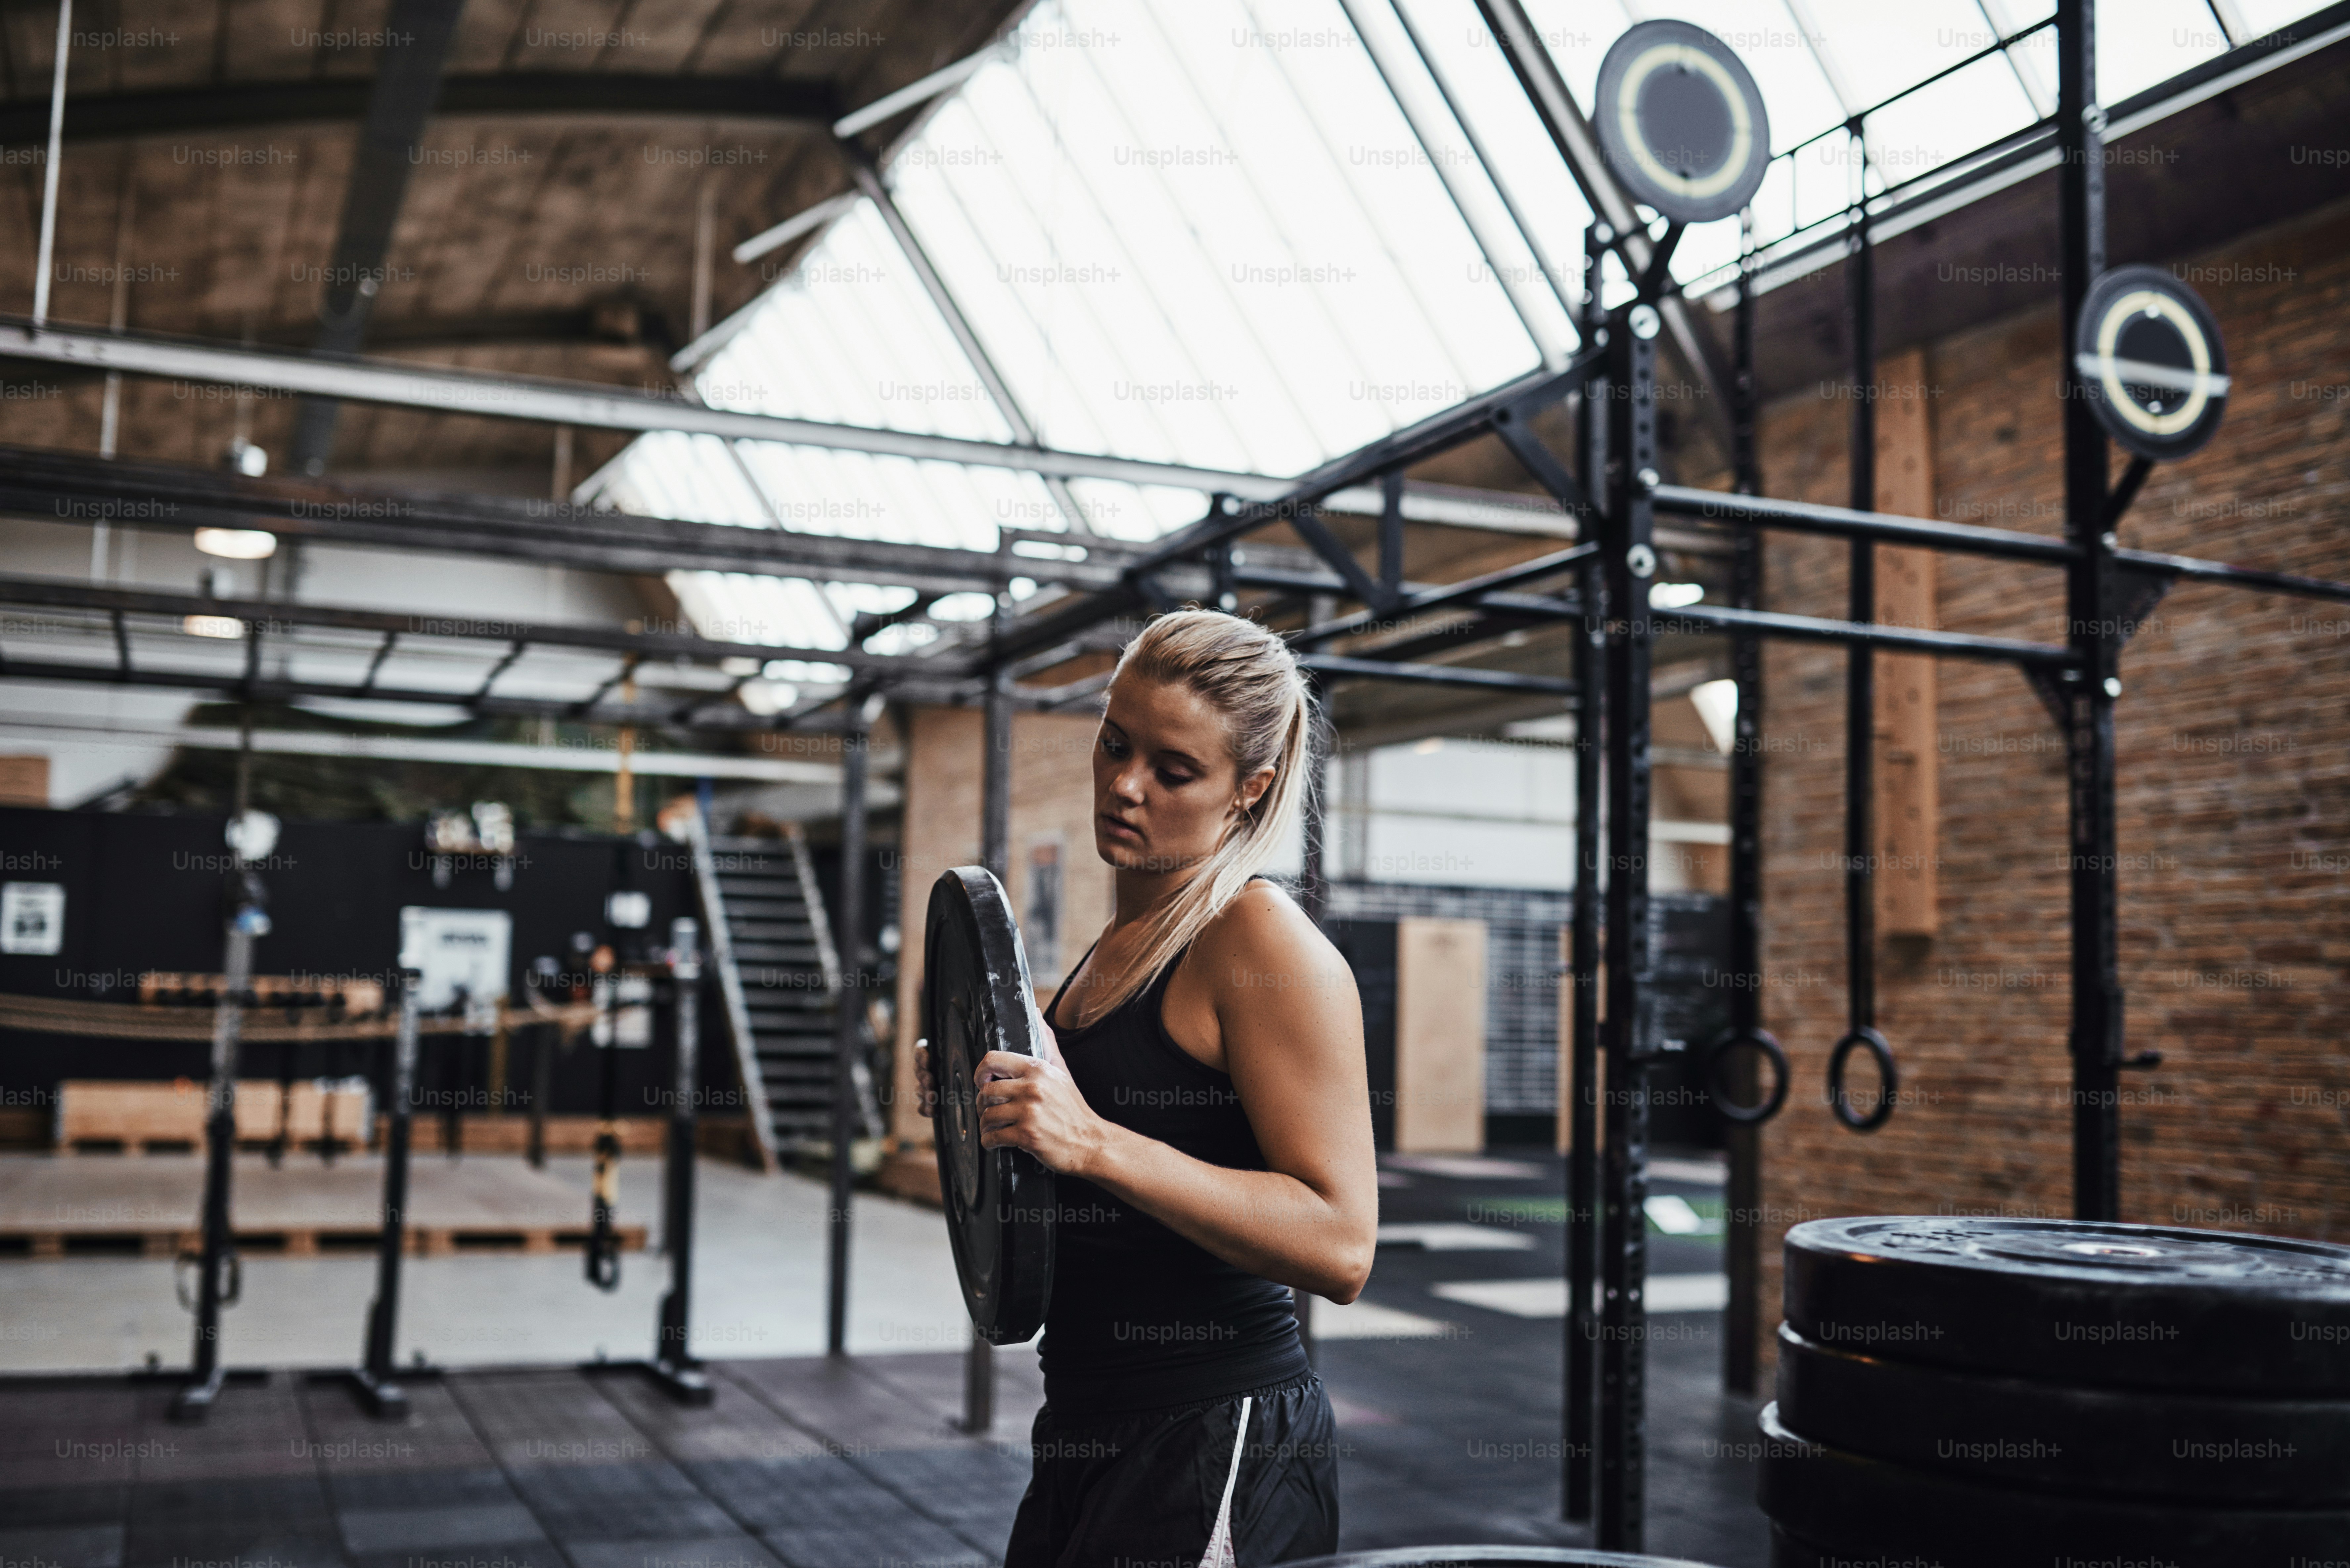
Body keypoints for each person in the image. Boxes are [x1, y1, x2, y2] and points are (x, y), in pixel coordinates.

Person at [918, 607, 1377, 1567]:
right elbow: (1089, 1168)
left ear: (1248, 791)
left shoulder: (1260, 941)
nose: (1126, 786)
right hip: (1089, 1419)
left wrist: (1090, 1140)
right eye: (1116, 745)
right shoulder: (1117, 942)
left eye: (1175, 771)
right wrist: (986, 1107)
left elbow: (1341, 1242)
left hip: (1215, 1432)